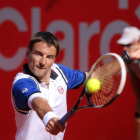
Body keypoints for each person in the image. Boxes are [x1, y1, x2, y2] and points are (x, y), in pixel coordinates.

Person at [11, 31, 140, 140]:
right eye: (39, 54)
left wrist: (127, 56)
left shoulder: (60, 72)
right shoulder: (21, 82)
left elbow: (96, 77)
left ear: (54, 59)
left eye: (49, 57)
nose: (43, 62)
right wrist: (49, 117)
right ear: (28, 53)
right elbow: (37, 102)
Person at [117, 26, 140, 140]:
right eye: (123, 45)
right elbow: (135, 80)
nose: (125, 48)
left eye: (128, 44)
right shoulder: (130, 60)